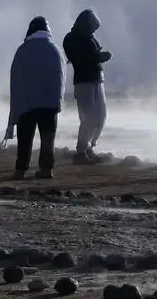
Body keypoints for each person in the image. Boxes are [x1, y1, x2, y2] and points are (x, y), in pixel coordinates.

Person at [8, 17, 63, 179]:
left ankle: (20, 169)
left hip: (27, 103)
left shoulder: (23, 50)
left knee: (25, 138)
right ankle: (46, 169)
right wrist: (56, 102)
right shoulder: (55, 50)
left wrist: (16, 105)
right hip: (50, 104)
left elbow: (16, 78)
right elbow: (61, 79)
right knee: (47, 138)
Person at [62, 9, 112, 164]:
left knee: (101, 116)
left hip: (96, 79)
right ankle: (81, 151)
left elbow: (88, 56)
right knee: (88, 117)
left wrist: (97, 57)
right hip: (84, 81)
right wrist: (97, 57)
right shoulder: (72, 38)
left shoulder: (87, 38)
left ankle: (89, 147)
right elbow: (79, 59)